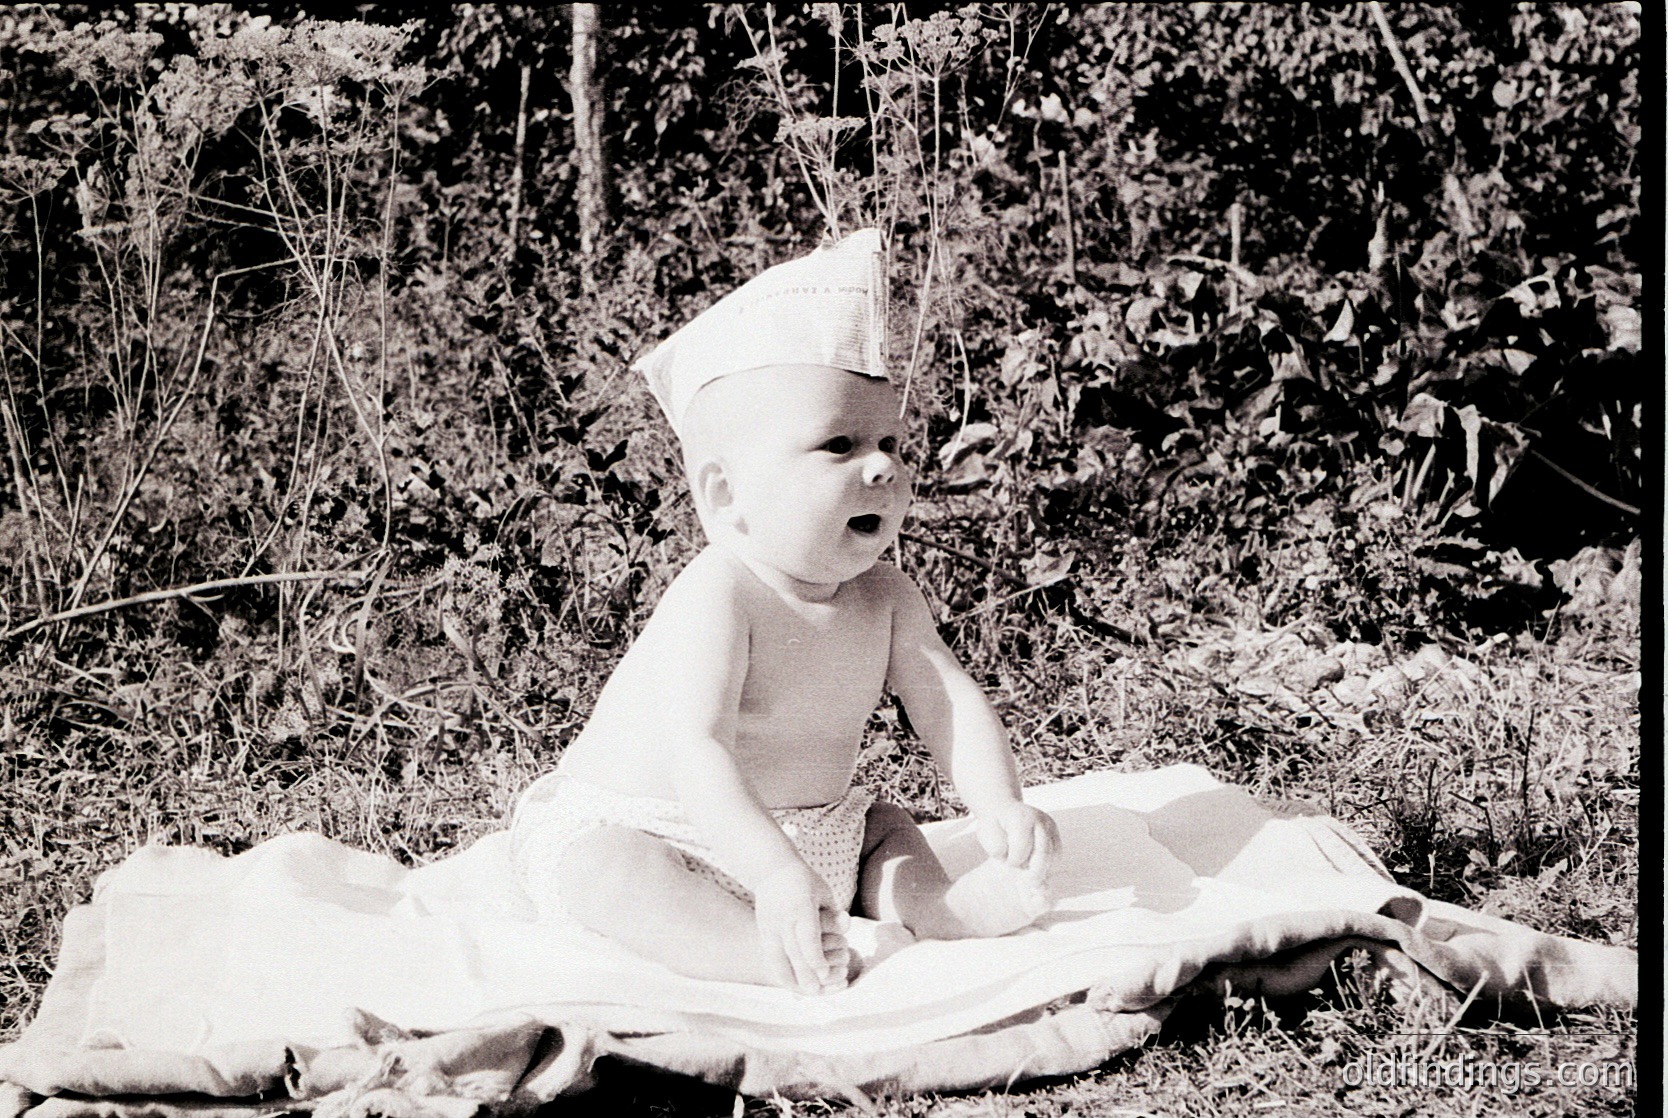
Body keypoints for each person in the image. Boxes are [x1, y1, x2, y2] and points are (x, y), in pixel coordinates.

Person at [510, 229, 1058, 994]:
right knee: (610, 872)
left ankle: (937, 908)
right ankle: (758, 954)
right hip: (665, 828)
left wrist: (998, 801)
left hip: (817, 833)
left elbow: (948, 701)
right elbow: (698, 751)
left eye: (892, 442)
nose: (883, 465)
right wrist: (771, 872)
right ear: (726, 494)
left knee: (886, 828)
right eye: (838, 444)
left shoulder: (888, 596)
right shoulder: (720, 592)